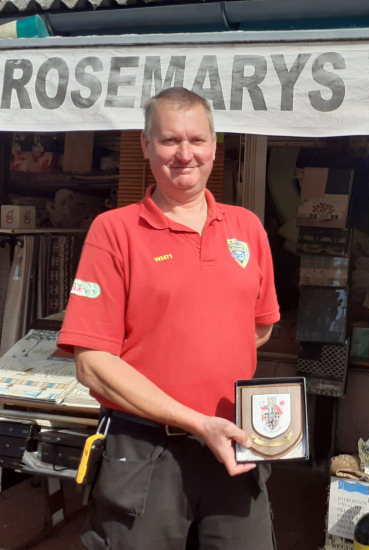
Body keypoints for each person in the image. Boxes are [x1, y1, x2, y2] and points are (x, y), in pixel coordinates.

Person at [57, 87, 280, 549]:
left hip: (234, 446)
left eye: (197, 140)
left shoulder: (247, 228)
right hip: (144, 452)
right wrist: (198, 420)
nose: (185, 155)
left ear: (214, 146)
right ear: (145, 145)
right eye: (169, 141)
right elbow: (92, 362)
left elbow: (258, 328)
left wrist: (199, 355)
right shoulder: (114, 231)